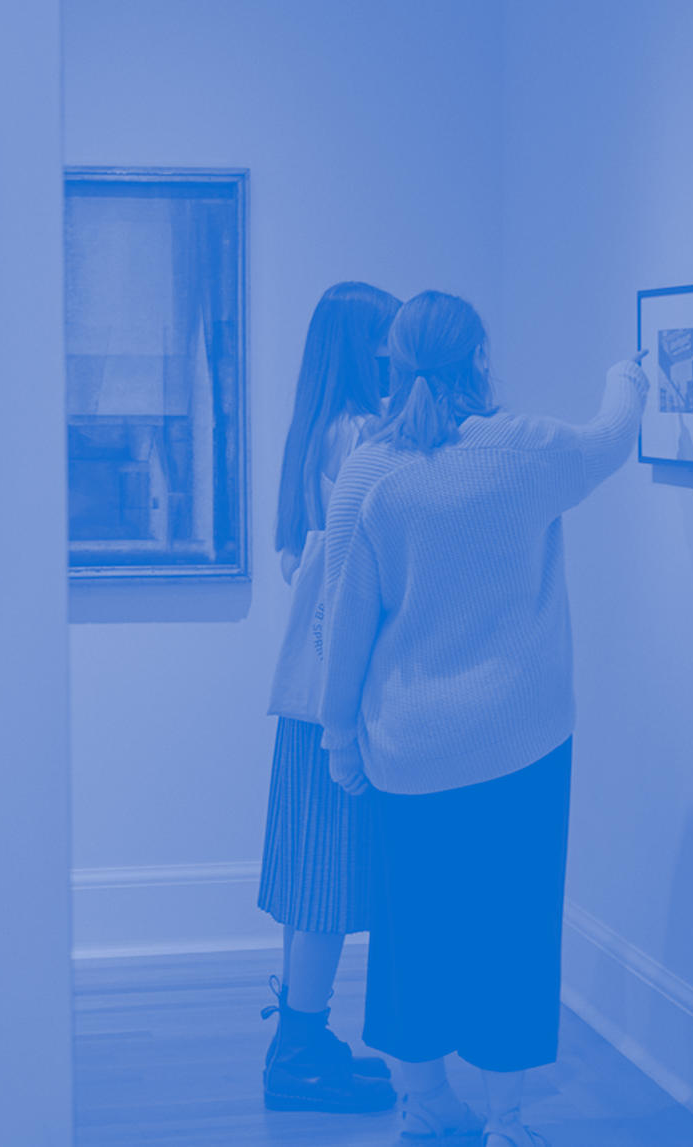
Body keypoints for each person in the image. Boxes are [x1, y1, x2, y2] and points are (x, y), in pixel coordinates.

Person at [318, 290, 649, 1146]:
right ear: (480, 360)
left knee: (411, 928)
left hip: (408, 747)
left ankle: (425, 1105)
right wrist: (629, 374)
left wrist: (340, 739)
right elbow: (611, 437)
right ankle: (507, 1121)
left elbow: (341, 625)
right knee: (513, 926)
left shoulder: (370, 474)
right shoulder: (527, 451)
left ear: (393, 365)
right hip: (522, 742)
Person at [256, 281, 402, 1114]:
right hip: (335, 698)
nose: (396, 353)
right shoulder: (358, 435)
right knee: (322, 883)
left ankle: (303, 1036)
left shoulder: (315, 432)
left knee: (312, 877)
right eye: (385, 339)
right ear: (364, 347)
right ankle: (298, 1049)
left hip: (309, 698)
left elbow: (296, 562)